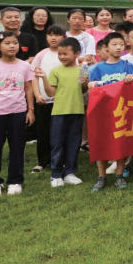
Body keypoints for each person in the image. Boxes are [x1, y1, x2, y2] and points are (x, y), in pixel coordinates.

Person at [0, 31, 35, 197]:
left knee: (17, 148)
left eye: (15, 43)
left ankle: (15, 181)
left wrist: (30, 110)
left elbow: (28, 89)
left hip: (18, 113)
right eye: (7, 43)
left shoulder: (25, 66)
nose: (12, 46)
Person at [84, 33, 133, 190]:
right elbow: (90, 88)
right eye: (114, 44)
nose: (118, 47)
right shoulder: (97, 68)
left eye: (121, 44)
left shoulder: (127, 65)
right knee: (102, 143)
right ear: (106, 47)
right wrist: (91, 85)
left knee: (120, 142)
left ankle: (119, 175)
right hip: (102, 112)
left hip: (121, 111)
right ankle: (101, 177)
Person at [37, 37, 87, 189]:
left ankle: (70, 172)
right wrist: (44, 78)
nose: (62, 57)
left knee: (74, 143)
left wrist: (85, 79)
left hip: (77, 111)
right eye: (60, 54)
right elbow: (50, 92)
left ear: (77, 53)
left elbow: (83, 89)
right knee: (57, 143)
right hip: (59, 112)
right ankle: (56, 174)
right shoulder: (55, 71)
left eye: (65, 54)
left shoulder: (82, 69)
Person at [29, 25, 66, 174]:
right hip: (44, 100)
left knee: (60, 132)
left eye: (57, 35)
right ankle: (42, 162)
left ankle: (60, 161)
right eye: (50, 35)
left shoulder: (66, 54)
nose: (53, 38)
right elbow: (33, 76)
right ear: (46, 37)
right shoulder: (41, 54)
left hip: (62, 100)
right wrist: (37, 95)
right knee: (42, 131)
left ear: (63, 37)